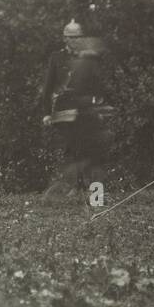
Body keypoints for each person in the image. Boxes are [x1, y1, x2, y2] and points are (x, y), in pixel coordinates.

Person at [41, 19, 111, 193]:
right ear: (64, 39)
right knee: (70, 148)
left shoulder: (90, 58)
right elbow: (48, 87)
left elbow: (99, 85)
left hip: (86, 110)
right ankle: (75, 185)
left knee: (88, 149)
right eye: (70, 37)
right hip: (64, 111)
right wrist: (47, 113)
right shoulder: (56, 58)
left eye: (77, 37)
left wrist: (100, 106)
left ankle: (92, 189)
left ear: (82, 38)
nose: (74, 40)